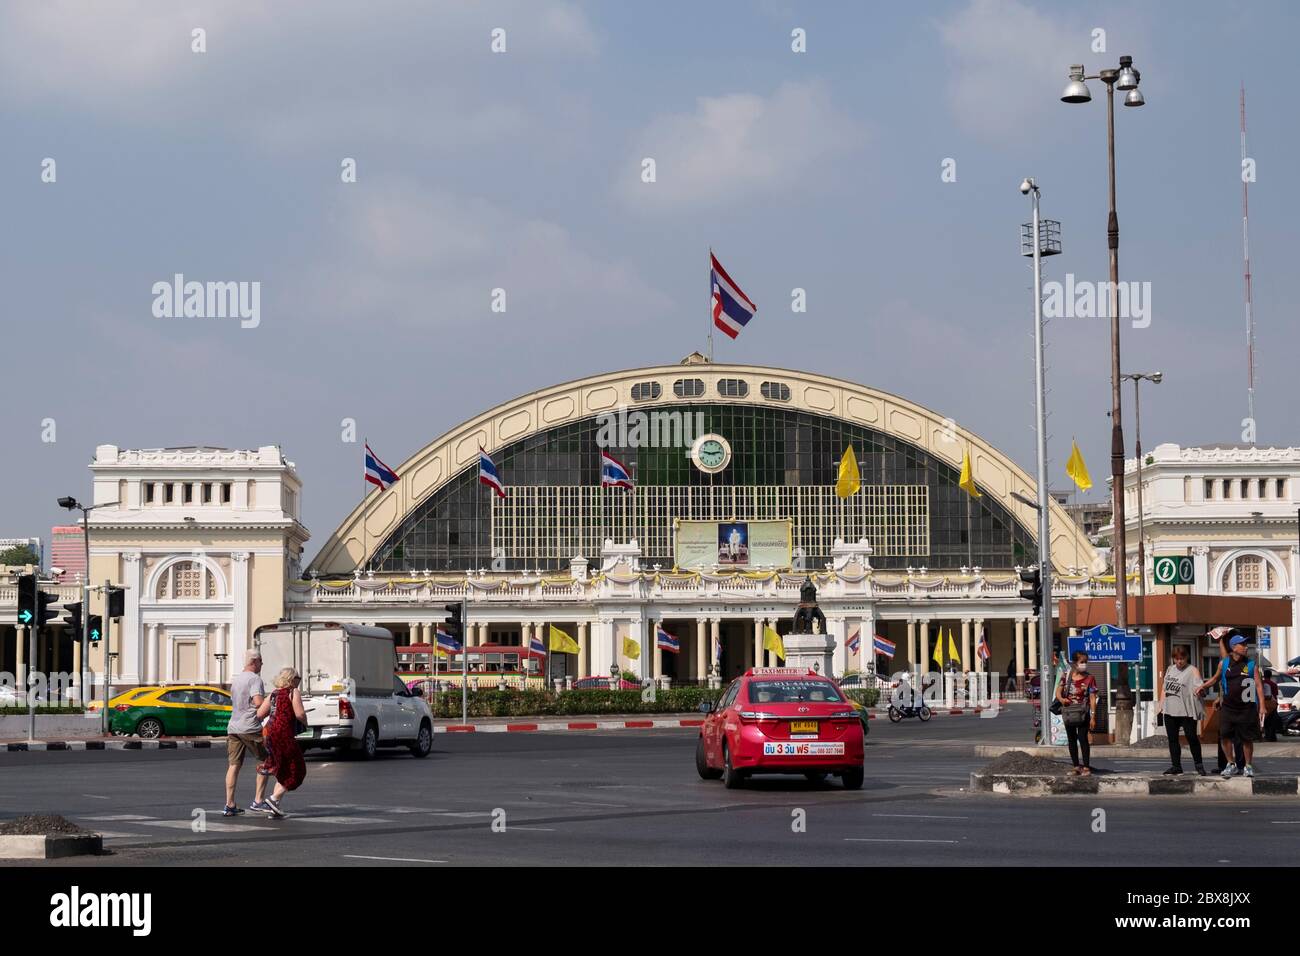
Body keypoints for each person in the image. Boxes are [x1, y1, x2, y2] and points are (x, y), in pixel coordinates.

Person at [1199, 634, 1264, 778]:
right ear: (1234, 647)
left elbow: (1259, 686)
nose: (1246, 647)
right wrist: (1202, 686)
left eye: (1246, 644)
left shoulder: (1251, 664)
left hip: (1247, 708)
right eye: (1243, 645)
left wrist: (1262, 706)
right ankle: (1231, 763)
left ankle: (1248, 766)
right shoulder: (1224, 664)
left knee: (1246, 739)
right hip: (1228, 707)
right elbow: (1215, 679)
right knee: (1225, 736)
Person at [255, 667, 308, 818]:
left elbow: (259, 714)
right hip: (284, 734)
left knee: (283, 768)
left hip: (270, 734)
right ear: (292, 679)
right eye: (297, 678)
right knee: (298, 769)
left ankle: (274, 806)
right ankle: (273, 799)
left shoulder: (274, 693)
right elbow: (300, 713)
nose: (299, 681)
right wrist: (305, 722)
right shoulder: (293, 692)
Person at [224, 650, 270, 816]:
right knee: (267, 760)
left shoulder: (236, 679)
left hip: (233, 727)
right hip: (250, 727)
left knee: (234, 765)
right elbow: (258, 702)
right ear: (254, 661)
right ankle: (258, 801)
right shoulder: (255, 679)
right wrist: (270, 703)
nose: (262, 665)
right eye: (261, 661)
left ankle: (229, 804)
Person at [1158, 644, 1206, 775]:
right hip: (1170, 710)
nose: (1179, 661)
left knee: (1191, 737)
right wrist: (1160, 705)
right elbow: (1164, 688)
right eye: (1176, 658)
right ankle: (1176, 766)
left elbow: (1199, 686)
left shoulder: (1192, 670)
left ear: (1187, 657)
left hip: (1186, 711)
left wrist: (1201, 691)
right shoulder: (1170, 669)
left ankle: (1199, 764)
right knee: (1172, 739)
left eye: (1182, 658)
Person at [1056, 650, 1098, 775]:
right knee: (1072, 739)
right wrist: (1062, 700)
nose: (1084, 664)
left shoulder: (1090, 678)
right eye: (1082, 662)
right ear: (1075, 663)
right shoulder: (1066, 676)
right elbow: (1058, 692)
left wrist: (1093, 716)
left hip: (1083, 713)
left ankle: (1086, 767)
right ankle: (1076, 766)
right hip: (1069, 712)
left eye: (1086, 662)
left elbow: (1092, 698)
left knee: (1083, 738)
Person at [1262, 669, 1280, 742]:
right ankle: (1272, 736)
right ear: (1271, 676)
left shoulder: (1262, 683)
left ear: (1264, 675)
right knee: (1272, 721)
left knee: (1266, 721)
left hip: (1265, 704)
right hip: (1273, 704)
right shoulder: (1274, 684)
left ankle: (1268, 736)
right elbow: (1276, 695)